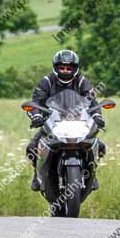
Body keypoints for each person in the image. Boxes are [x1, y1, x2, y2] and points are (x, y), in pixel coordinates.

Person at [25, 50, 105, 191]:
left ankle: (92, 174)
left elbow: (92, 102)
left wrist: (98, 116)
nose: (65, 71)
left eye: (69, 68)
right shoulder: (47, 82)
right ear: (56, 68)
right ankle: (37, 176)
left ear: (75, 69)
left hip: (79, 122)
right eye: (62, 67)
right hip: (52, 122)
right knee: (32, 148)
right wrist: (36, 116)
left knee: (100, 146)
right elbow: (36, 102)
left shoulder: (82, 82)